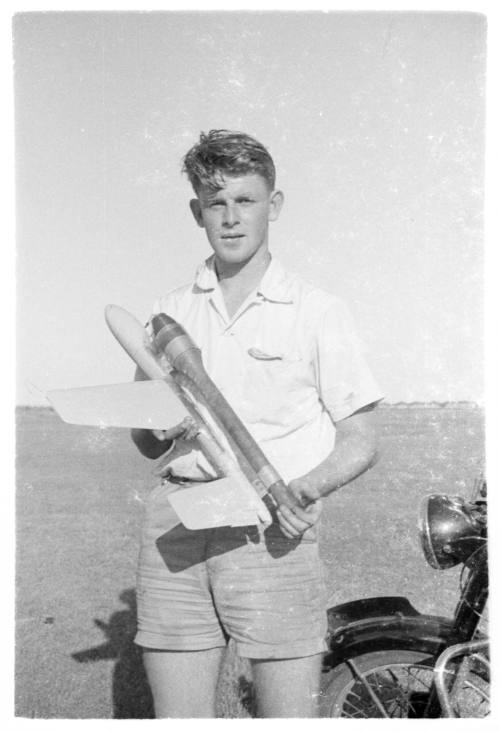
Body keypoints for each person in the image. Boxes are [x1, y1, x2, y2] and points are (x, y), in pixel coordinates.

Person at [130, 129, 383, 718]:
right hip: (176, 523)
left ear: (274, 205)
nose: (232, 217)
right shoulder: (170, 311)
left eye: (246, 200)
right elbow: (144, 441)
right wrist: (157, 427)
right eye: (216, 203)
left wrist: (308, 487)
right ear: (198, 211)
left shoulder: (318, 310)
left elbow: (363, 438)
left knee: (286, 720)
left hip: (271, 525)